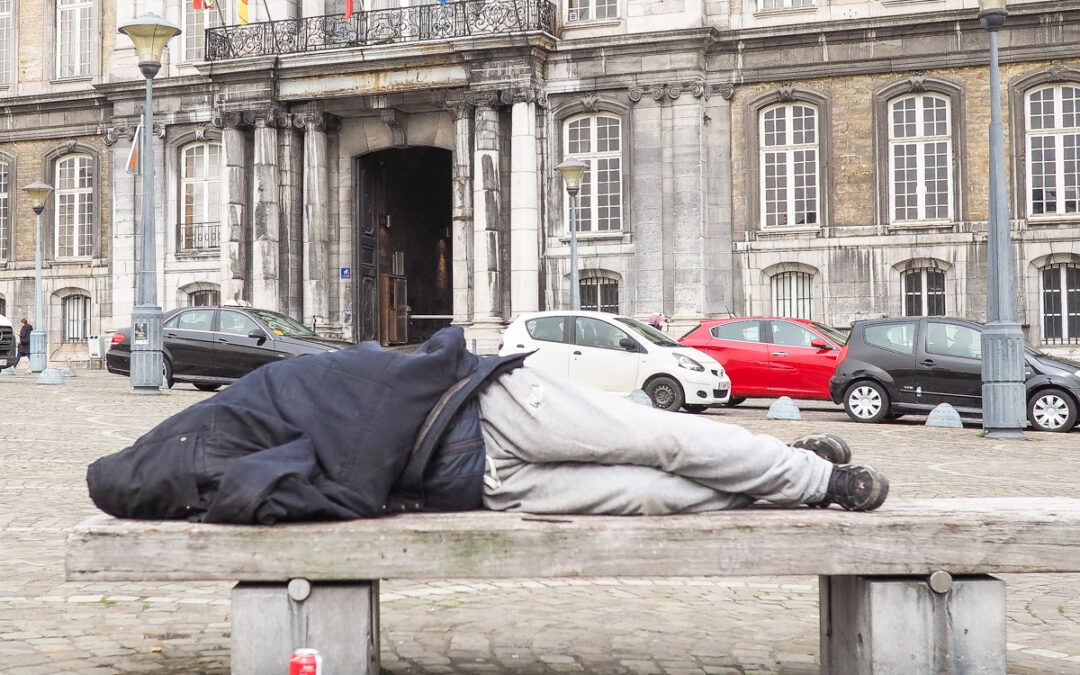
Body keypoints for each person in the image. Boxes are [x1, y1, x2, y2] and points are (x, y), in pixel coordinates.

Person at [86, 327, 887, 525]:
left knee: (661, 437)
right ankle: (776, 482)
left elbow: (367, 393)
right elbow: (318, 486)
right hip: (482, 482)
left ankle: (817, 477)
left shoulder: (254, 407)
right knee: (651, 493)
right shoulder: (224, 463)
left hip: (488, 406)